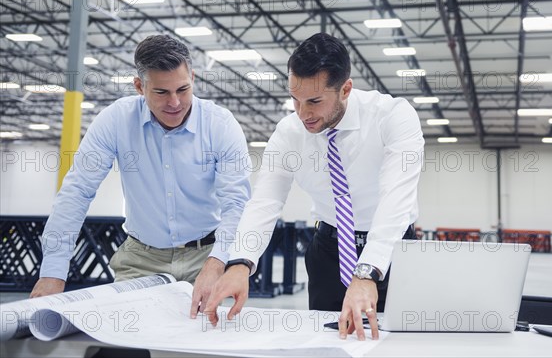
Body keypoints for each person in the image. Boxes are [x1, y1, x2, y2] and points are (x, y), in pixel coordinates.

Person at [205, 32, 424, 340]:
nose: (303, 113)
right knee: (326, 342)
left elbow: (395, 198)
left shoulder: (392, 116)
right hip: (329, 249)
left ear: (345, 89)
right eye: (295, 99)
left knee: (398, 343)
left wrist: (368, 271)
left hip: (394, 248)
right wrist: (241, 261)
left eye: (314, 101)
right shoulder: (289, 133)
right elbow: (266, 200)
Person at [30, 34, 251, 318]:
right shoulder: (116, 120)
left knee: (205, 342)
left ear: (193, 78)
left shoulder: (220, 124)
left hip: (205, 255)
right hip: (140, 259)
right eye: (161, 92)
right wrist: (52, 272)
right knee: (127, 338)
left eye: (183, 89)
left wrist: (218, 261)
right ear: (139, 86)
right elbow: (76, 192)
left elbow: (237, 202)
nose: (175, 102)